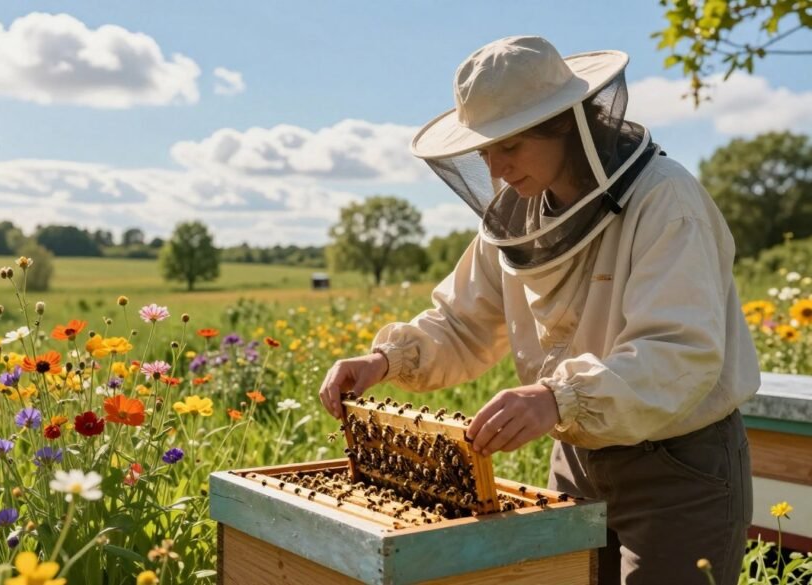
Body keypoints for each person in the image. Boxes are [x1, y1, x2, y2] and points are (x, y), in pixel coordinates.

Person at [318, 36, 759, 585]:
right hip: (575, 457)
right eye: (485, 153)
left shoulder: (666, 201)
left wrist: (557, 396)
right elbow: (462, 320)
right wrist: (384, 360)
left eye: (511, 147)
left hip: (678, 466)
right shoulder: (517, 220)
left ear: (565, 125)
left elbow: (679, 352)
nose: (497, 171)